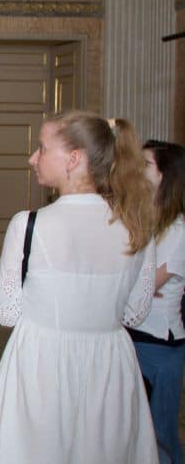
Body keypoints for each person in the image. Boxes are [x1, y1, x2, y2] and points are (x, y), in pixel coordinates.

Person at [0, 112, 158, 463]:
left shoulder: (29, 225)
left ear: (74, 159)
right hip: (111, 366)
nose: (33, 158)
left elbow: (6, 312)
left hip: (42, 366)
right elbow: (135, 312)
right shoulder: (136, 226)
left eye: (42, 149)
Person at [128, 139, 185, 464]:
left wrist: (140, 282)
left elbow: (147, 286)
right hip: (134, 332)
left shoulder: (177, 231)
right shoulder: (145, 223)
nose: (138, 169)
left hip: (160, 343)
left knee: (160, 433)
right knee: (134, 430)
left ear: (165, 175)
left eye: (146, 165)